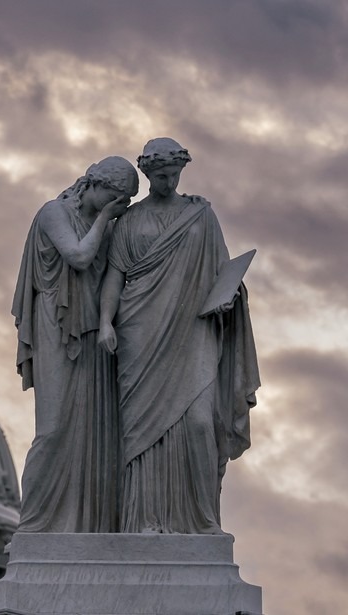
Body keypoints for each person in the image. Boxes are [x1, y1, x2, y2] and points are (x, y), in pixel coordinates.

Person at [99, 138, 259, 534]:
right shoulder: (130, 221)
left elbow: (223, 271)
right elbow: (114, 277)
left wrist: (228, 297)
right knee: (140, 432)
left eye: (172, 174)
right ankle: (145, 520)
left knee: (200, 423)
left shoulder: (200, 216)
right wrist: (105, 322)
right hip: (140, 330)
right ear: (147, 175)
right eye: (159, 176)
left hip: (193, 329)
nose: (167, 181)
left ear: (182, 171)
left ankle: (202, 521)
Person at [12, 156, 138, 533]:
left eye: (128, 203)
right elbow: (79, 257)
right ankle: (34, 525)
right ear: (95, 186)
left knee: (92, 434)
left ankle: (87, 525)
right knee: (53, 429)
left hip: (93, 334)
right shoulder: (55, 212)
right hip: (56, 322)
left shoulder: (110, 229)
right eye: (118, 199)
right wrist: (105, 219)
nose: (122, 208)